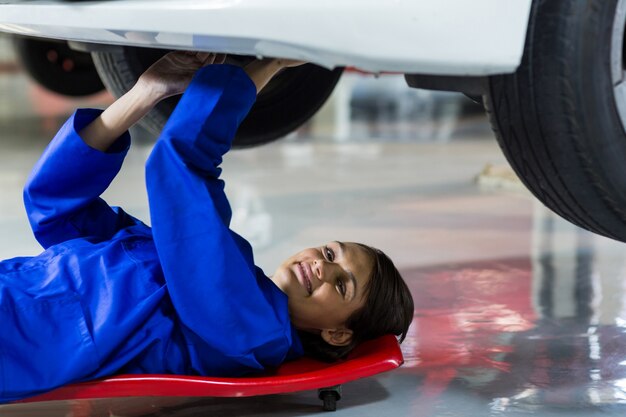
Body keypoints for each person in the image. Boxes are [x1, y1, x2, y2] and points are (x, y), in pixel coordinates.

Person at [0, 51, 414, 403]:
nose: (323, 268)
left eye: (341, 285)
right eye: (329, 253)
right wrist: (148, 91)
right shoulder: (212, 270)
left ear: (338, 334)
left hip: (19, 335)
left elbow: (178, 166)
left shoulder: (253, 332)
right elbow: (54, 203)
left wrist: (268, 65)